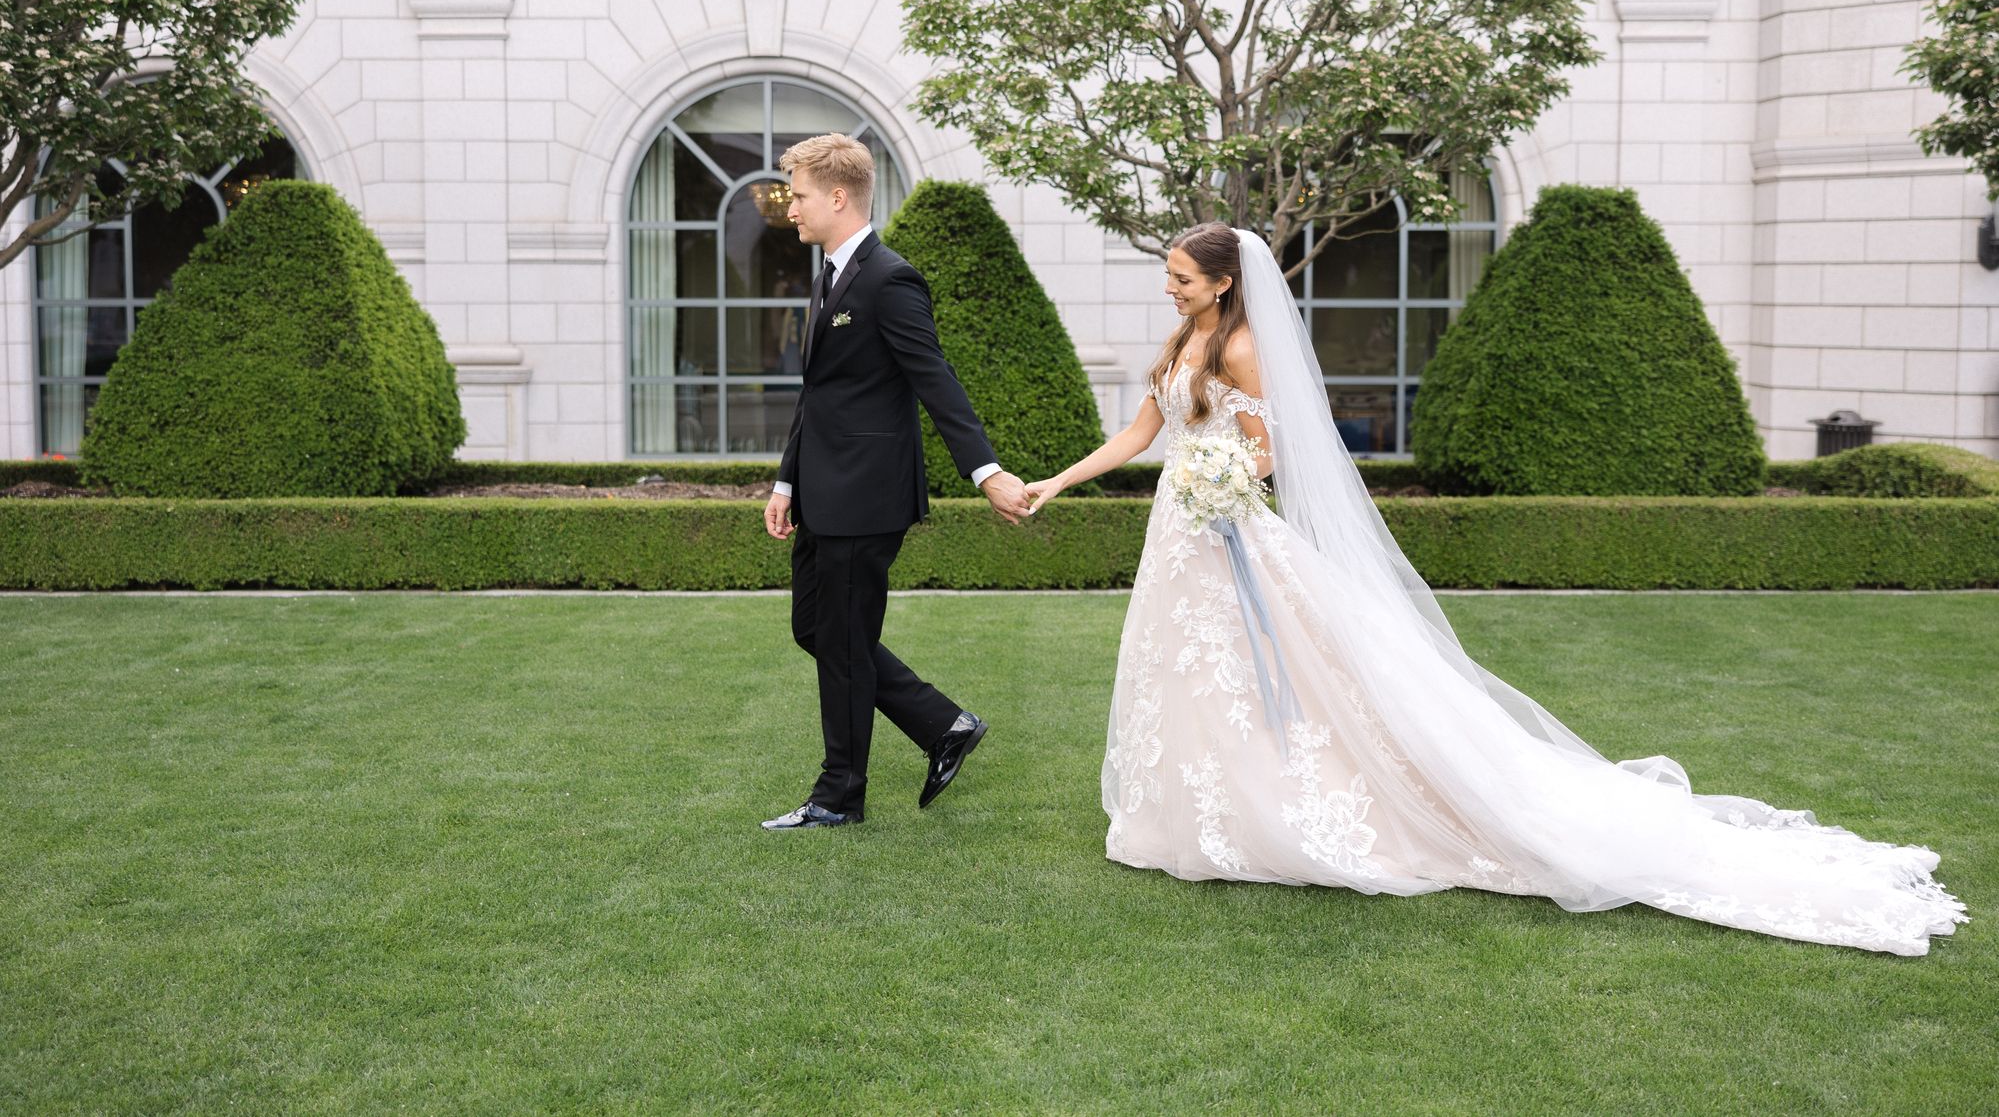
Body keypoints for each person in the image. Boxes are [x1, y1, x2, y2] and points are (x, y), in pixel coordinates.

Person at [1022, 222, 1968, 955]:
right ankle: (1195, 812)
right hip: (1180, 532)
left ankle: (1286, 813)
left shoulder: (1238, 348)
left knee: (1280, 674)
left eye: (1181, 278)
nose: (1170, 287)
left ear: (1222, 281)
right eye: (1170, 278)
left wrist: (1222, 483)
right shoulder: (1184, 334)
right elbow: (1142, 432)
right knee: (1188, 674)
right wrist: (1057, 481)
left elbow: (1270, 448)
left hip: (1227, 530)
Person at [759, 133, 1032, 831]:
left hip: (866, 496)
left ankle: (837, 795)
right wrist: (786, 482)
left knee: (843, 640)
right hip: (821, 491)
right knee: (815, 629)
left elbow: (933, 379)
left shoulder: (890, 278)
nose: (789, 207)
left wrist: (987, 471)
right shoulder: (827, 275)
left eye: (798, 195)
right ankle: (945, 724)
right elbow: (818, 393)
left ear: (838, 195)